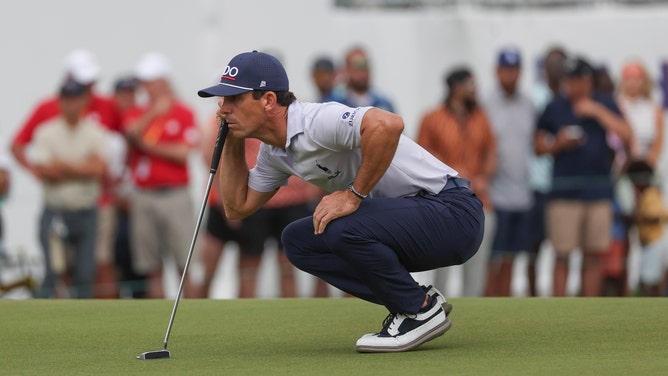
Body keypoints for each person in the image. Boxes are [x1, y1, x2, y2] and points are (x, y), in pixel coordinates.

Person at [197, 50, 483, 352]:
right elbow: (237, 206)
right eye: (223, 100)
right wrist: (230, 140)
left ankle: (419, 311)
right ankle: (415, 299)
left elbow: (388, 125)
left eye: (234, 99)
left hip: (454, 213)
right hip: (419, 222)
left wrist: (353, 195)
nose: (223, 108)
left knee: (338, 223)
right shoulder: (274, 153)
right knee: (298, 240)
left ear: (268, 100)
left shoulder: (314, 120)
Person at [535, 56, 632, 297]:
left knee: (594, 256)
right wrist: (558, 144)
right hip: (563, 192)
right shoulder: (555, 106)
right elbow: (538, 147)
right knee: (562, 255)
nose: (569, 85)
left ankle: (588, 310)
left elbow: (627, 133)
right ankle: (559, 312)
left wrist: (596, 111)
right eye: (567, 80)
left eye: (574, 80)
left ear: (587, 80)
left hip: (598, 191)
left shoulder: (604, 102)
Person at [416, 67, 497, 297]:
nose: (475, 90)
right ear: (456, 87)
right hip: (443, 203)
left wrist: (484, 177)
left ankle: (474, 313)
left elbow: (491, 150)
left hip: (479, 200)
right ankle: (436, 310)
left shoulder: (481, 117)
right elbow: (422, 153)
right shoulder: (432, 118)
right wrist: (451, 171)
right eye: (470, 84)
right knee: (441, 266)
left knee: (476, 271)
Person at [123, 52, 199, 298]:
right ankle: (159, 322)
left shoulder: (183, 112)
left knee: (184, 265)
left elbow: (183, 153)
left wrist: (148, 147)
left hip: (174, 195)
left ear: (163, 81)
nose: (146, 87)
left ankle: (192, 319)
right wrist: (153, 114)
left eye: (150, 81)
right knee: (151, 267)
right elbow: (131, 133)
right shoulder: (138, 112)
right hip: (144, 195)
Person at [30, 78, 109, 298]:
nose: (71, 104)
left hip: (85, 211)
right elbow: (45, 172)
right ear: (60, 102)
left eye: (75, 99)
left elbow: (98, 169)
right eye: (67, 99)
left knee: (84, 274)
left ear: (84, 101)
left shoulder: (95, 132)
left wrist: (62, 164)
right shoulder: (46, 132)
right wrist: (82, 166)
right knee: (53, 273)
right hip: (55, 211)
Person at [482, 47, 536, 296]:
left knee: (512, 255)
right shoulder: (486, 105)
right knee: (492, 256)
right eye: (506, 69)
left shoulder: (528, 104)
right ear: (497, 71)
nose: (510, 75)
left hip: (522, 192)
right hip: (495, 193)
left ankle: (505, 302)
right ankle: (490, 301)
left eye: (515, 70)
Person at [528, 45, 566, 296]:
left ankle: (559, 297)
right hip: (537, 181)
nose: (555, 68)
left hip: (562, 183)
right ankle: (533, 295)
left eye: (559, 63)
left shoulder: (569, 97)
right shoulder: (534, 96)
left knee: (562, 245)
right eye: (551, 63)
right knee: (534, 245)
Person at [328, 46, 396, 113]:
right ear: (346, 70)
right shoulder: (335, 105)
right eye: (358, 68)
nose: (363, 73)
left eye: (365, 67)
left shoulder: (383, 104)